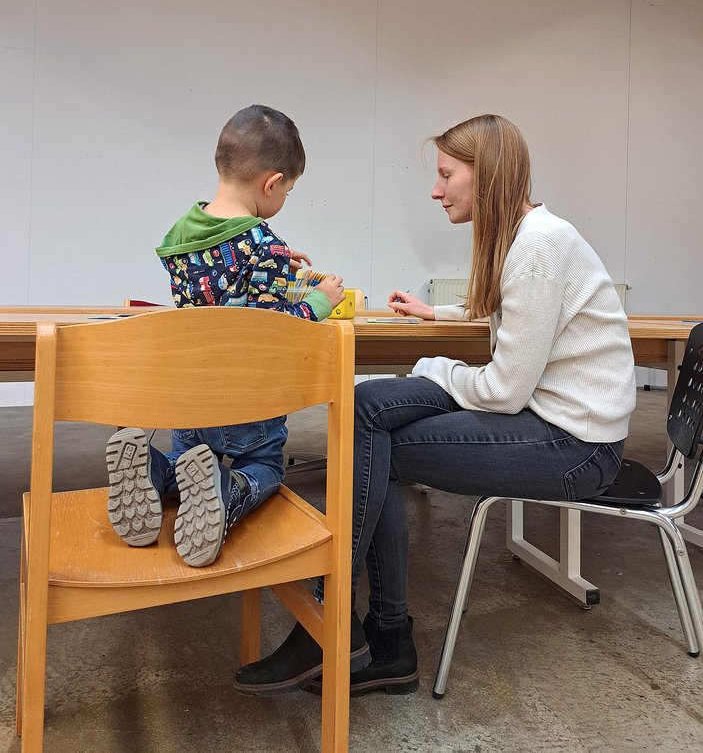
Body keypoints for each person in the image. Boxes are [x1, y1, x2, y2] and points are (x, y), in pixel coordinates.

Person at [233, 113, 636, 696]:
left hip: (574, 447)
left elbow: (504, 390)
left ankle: (345, 625)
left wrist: (434, 368)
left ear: (487, 176)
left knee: (374, 431)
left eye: (447, 174)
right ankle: (364, 634)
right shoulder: (526, 236)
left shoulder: (540, 247)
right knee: (365, 411)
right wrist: (442, 316)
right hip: (546, 420)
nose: (435, 188)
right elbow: (522, 318)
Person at [105, 104, 345, 568]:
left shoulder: (180, 234)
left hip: (191, 400)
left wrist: (273, 259)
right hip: (246, 401)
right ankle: (226, 490)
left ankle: (155, 470)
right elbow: (278, 329)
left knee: (189, 461)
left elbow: (222, 280)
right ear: (271, 183)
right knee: (266, 469)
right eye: (288, 192)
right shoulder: (263, 245)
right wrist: (323, 299)